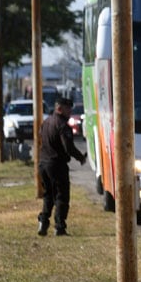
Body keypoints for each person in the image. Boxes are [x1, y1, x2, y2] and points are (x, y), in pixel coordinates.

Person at [37, 96, 88, 237]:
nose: (70, 111)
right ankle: (60, 227)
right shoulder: (62, 126)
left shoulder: (46, 122)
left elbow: (42, 138)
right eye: (67, 108)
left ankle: (43, 221)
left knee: (48, 195)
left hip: (43, 164)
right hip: (57, 165)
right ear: (59, 108)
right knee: (61, 196)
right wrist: (80, 158)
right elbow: (68, 147)